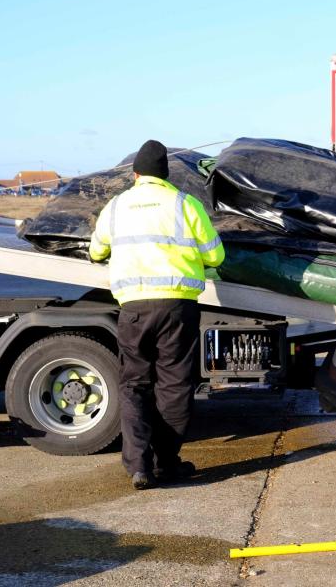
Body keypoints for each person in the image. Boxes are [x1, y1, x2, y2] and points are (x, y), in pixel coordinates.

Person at [90, 140, 225, 489]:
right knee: (175, 386)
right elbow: (216, 256)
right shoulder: (185, 204)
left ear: (135, 174)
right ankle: (167, 462)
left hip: (133, 307)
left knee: (135, 384)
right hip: (177, 307)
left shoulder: (117, 206)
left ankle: (139, 467)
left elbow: (97, 250)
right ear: (166, 175)